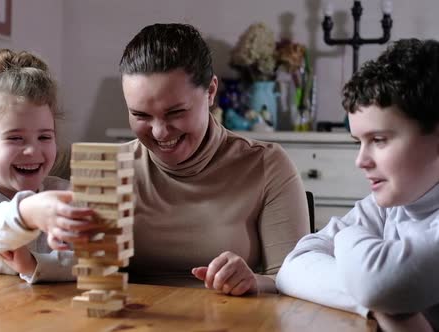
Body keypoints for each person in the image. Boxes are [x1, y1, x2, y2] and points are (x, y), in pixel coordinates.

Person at [116, 23, 309, 295]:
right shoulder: (112, 169)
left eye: (175, 112)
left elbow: (298, 282)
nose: (159, 132)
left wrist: (253, 281)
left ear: (211, 92)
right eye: (141, 115)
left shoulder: (266, 165)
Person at [276, 38, 439, 331]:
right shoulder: (388, 206)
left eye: (378, 140)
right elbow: (292, 267)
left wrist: (346, 236)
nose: (361, 160)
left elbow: (381, 283)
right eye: (358, 142)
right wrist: (385, 309)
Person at [0, 49, 98, 283]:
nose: (33, 150)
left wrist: (34, 264)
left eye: (44, 137)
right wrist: (28, 213)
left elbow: (93, 262)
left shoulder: (63, 194)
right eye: (15, 138)